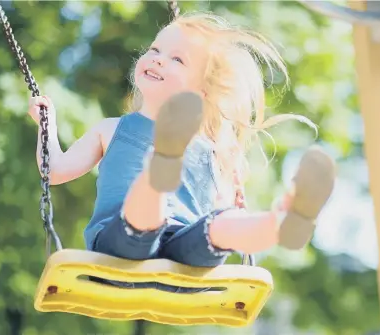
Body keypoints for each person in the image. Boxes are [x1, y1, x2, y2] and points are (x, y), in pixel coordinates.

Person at [27, 12, 336, 284]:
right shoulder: (112, 129)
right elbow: (54, 170)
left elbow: (220, 207)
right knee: (143, 222)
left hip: (183, 258)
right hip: (119, 251)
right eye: (155, 50)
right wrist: (47, 126)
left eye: (177, 59)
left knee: (221, 225)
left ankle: (279, 222)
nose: (158, 58)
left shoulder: (210, 149)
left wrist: (234, 186)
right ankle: (158, 171)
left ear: (200, 93)